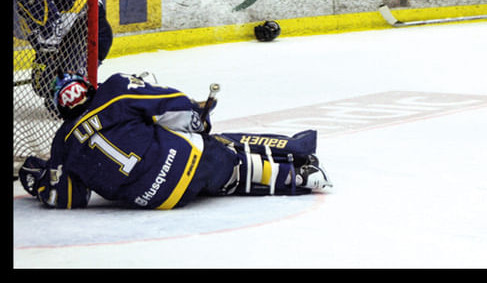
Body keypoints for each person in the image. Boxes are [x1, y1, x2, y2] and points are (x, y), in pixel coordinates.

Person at [17, 71, 332, 210]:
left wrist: (35, 176)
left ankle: (293, 169)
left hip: (156, 202)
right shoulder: (114, 90)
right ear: (89, 87)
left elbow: (68, 197)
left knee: (213, 170)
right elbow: (174, 105)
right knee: (222, 158)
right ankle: (298, 175)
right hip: (188, 161)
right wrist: (200, 117)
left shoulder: (62, 142)